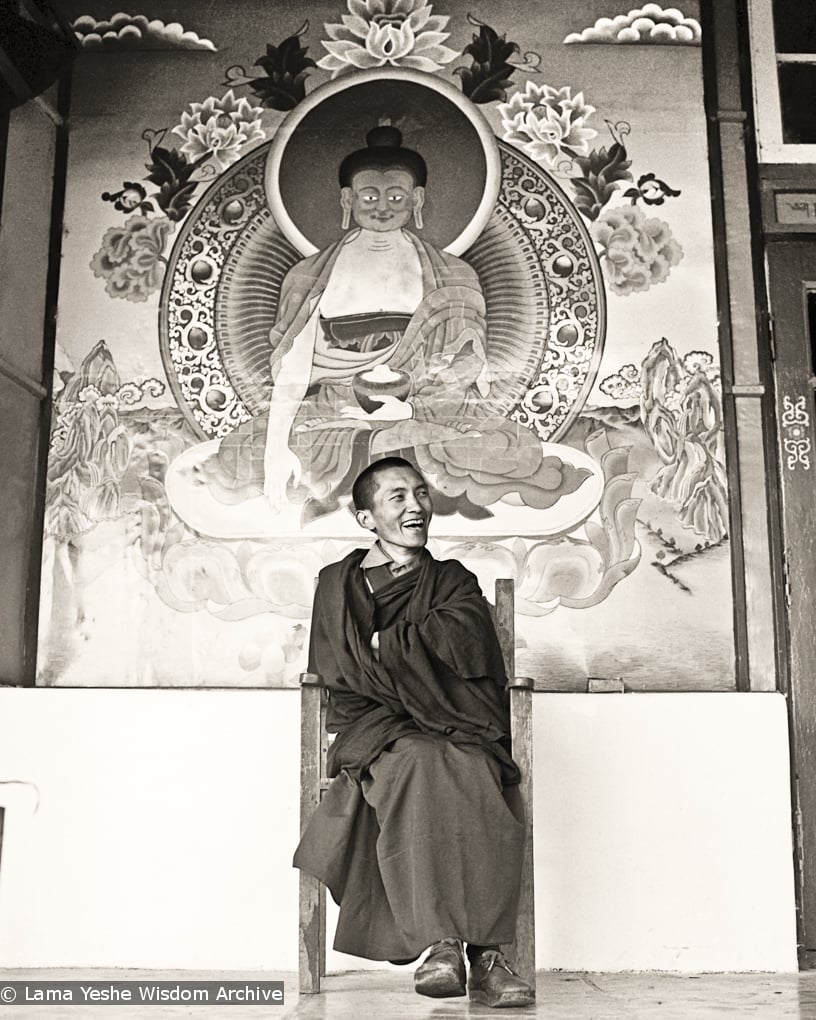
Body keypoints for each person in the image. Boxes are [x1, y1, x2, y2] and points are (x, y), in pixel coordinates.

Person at [201, 126, 591, 524]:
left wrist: (408, 408)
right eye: (369, 195)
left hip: (425, 408)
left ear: (417, 199)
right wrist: (275, 447)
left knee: (504, 446)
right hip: (336, 407)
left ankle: (396, 479)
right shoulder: (310, 275)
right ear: (347, 199)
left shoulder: (452, 274)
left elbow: (464, 365)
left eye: (396, 196)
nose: (382, 206)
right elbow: (294, 367)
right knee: (246, 453)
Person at [293, 457, 536, 1008]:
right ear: (366, 517)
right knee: (421, 764)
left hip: (455, 722)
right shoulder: (338, 585)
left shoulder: (451, 580)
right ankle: (457, 948)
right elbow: (342, 668)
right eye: (397, 497)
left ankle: (479, 955)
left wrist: (389, 645)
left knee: (475, 767)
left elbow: (472, 641)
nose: (415, 507)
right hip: (378, 729)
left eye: (421, 494)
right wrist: (415, 649)